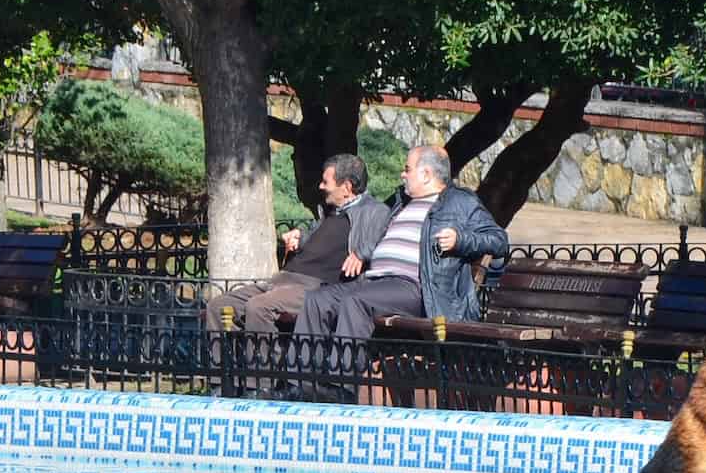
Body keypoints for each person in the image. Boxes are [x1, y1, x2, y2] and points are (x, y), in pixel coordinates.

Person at [294, 145, 508, 352]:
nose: (402, 174)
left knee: (356, 302)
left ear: (426, 174)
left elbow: (498, 240)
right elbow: (377, 229)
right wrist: (362, 252)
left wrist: (460, 240)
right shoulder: (401, 201)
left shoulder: (460, 201)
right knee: (317, 299)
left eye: (407, 169)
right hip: (374, 281)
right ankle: (301, 383)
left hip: (416, 287)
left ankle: (340, 385)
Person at [203, 153, 388, 338]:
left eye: (326, 182)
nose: (321, 186)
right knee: (218, 307)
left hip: (315, 288)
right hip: (281, 281)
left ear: (347, 187)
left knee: (259, 307)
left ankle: (264, 366)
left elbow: (383, 230)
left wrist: (361, 253)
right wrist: (300, 238)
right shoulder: (331, 212)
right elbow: (320, 243)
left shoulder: (373, 210)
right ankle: (224, 365)